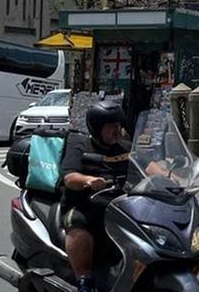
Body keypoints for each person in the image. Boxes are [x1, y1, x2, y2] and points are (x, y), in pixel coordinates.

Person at [60, 102, 131, 292]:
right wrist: (88, 181)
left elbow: (147, 166)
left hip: (119, 206)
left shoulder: (126, 146)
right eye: (111, 126)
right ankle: (85, 280)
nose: (117, 130)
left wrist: (171, 177)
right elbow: (69, 177)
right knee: (79, 223)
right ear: (97, 127)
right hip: (84, 205)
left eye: (118, 126)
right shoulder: (79, 145)